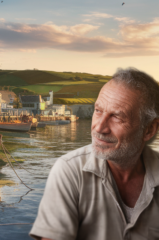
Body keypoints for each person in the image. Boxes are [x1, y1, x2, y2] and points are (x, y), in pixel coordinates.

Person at [29, 68, 159, 240]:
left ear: (149, 129)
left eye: (117, 117)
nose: (99, 128)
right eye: (98, 111)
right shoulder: (69, 171)